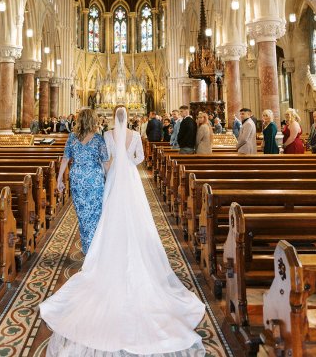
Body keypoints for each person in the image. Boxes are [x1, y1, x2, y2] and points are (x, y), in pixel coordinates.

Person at [39, 105, 205, 356]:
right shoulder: (133, 135)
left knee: (106, 214)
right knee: (133, 213)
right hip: (126, 177)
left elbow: (99, 160)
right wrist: (126, 161)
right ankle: (114, 244)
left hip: (104, 177)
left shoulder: (105, 136)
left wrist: (103, 172)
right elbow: (137, 159)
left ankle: (97, 248)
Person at [56, 108, 110, 254]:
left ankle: (88, 247)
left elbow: (65, 158)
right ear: (93, 120)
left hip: (78, 177)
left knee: (82, 213)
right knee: (95, 212)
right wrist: (111, 180)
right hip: (94, 178)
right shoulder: (99, 138)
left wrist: (59, 178)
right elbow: (105, 162)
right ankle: (95, 247)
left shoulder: (72, 137)